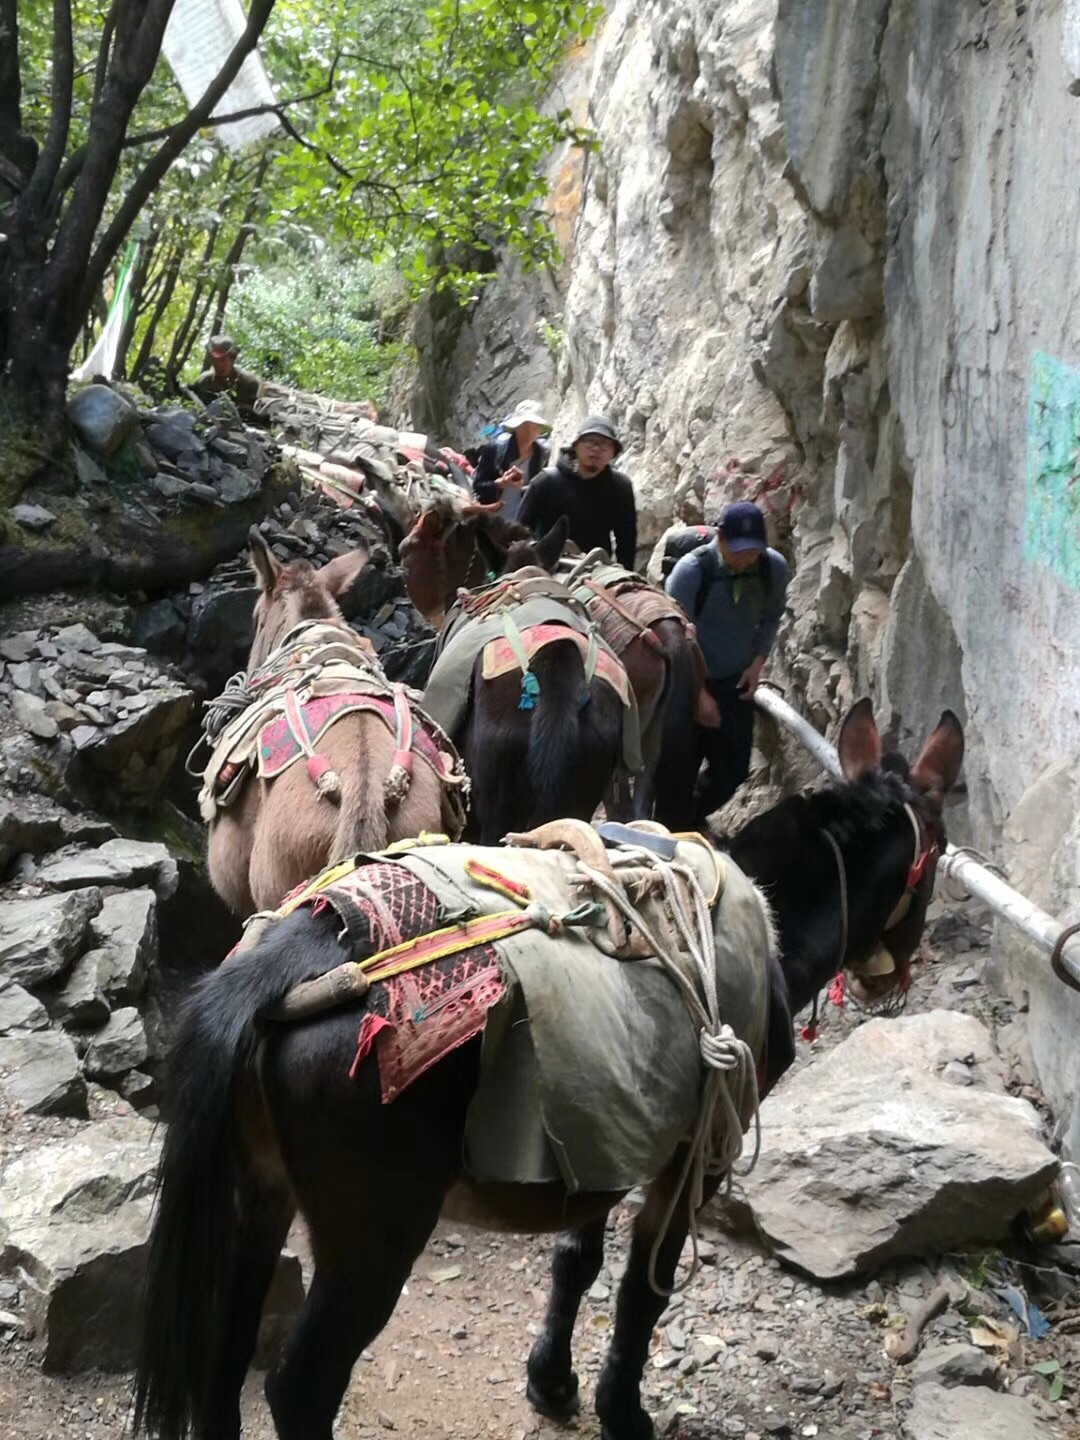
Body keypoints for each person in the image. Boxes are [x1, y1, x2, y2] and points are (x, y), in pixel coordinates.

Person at [666, 501, 790, 829]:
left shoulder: (771, 568)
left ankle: (692, 816)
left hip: (735, 680)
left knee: (733, 770)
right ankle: (670, 826)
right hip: (688, 681)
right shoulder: (692, 572)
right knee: (677, 766)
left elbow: (771, 616)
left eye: (754, 550)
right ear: (720, 538)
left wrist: (758, 662)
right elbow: (675, 638)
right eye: (740, 550)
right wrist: (698, 694)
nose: (748, 558)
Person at [518, 414, 637, 568]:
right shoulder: (547, 481)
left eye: (604, 444)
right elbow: (520, 532)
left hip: (597, 568)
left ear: (612, 453)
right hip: (549, 567)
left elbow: (627, 541)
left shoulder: (620, 487)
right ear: (576, 446)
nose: (596, 449)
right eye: (590, 442)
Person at [471, 400, 551, 520]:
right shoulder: (495, 450)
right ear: (516, 427)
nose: (530, 430)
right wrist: (499, 483)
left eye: (535, 425)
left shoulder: (541, 454)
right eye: (525, 425)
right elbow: (478, 485)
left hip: (524, 523)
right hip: (494, 522)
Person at [193, 335, 261, 418]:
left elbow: (260, 414)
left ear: (232, 359)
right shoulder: (203, 382)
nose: (218, 365)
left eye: (222, 360)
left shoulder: (250, 383)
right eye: (214, 361)